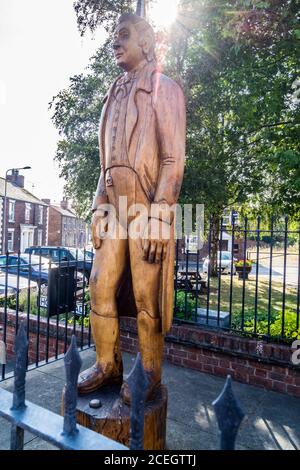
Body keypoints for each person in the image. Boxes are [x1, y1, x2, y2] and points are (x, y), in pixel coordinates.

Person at [78, 12, 186, 404]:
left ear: (146, 42)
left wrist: (161, 214)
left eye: (123, 35)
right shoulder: (112, 94)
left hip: (146, 208)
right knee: (99, 285)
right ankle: (108, 363)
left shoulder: (165, 89)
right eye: (113, 37)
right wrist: (97, 206)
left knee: (146, 294)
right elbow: (103, 162)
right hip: (114, 209)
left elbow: (173, 161)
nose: (115, 43)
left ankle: (149, 370)